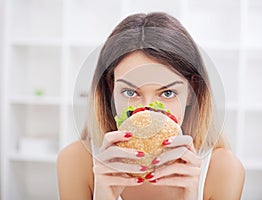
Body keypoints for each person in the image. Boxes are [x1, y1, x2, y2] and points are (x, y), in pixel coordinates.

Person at [57, 12, 245, 200]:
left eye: (168, 93)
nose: (147, 111)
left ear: (191, 92)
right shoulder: (75, 162)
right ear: (111, 88)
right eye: (130, 92)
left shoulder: (224, 170)